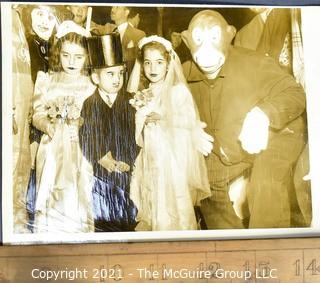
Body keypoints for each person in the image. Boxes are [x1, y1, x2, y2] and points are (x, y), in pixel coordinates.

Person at [181, 10, 306, 229]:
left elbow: (295, 93)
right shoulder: (182, 73)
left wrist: (263, 114)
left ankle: (269, 251)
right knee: (203, 186)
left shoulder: (253, 63)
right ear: (186, 40)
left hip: (275, 136)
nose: (207, 52)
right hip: (227, 148)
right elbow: (162, 110)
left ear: (229, 35)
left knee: (265, 183)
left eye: (214, 38)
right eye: (199, 40)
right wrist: (187, 129)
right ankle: (234, 251)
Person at [127, 35, 213, 231]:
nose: (153, 68)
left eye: (159, 62)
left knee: (174, 200)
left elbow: (189, 122)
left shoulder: (178, 91)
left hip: (171, 157)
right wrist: (141, 118)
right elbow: (137, 131)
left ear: (168, 64)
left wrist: (163, 118)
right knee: (153, 196)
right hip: (150, 154)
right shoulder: (144, 93)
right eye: (147, 63)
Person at [31, 21, 96, 233]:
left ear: (87, 57)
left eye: (78, 57)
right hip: (51, 148)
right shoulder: (47, 80)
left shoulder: (90, 84)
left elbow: (95, 117)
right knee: (51, 189)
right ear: (58, 53)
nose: (71, 62)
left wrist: (81, 122)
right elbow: (37, 113)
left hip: (79, 147)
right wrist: (47, 125)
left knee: (79, 191)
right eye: (66, 55)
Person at [79, 33, 139, 232]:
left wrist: (128, 159)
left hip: (125, 172)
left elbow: (135, 135)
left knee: (127, 217)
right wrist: (100, 156)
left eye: (120, 73)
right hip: (101, 175)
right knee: (105, 219)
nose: (117, 79)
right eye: (110, 74)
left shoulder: (129, 102)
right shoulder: (90, 104)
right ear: (95, 77)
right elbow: (86, 136)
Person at [12, 5, 34, 232]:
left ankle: (18, 220)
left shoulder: (18, 15)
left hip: (22, 101)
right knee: (11, 160)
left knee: (22, 162)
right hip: (11, 105)